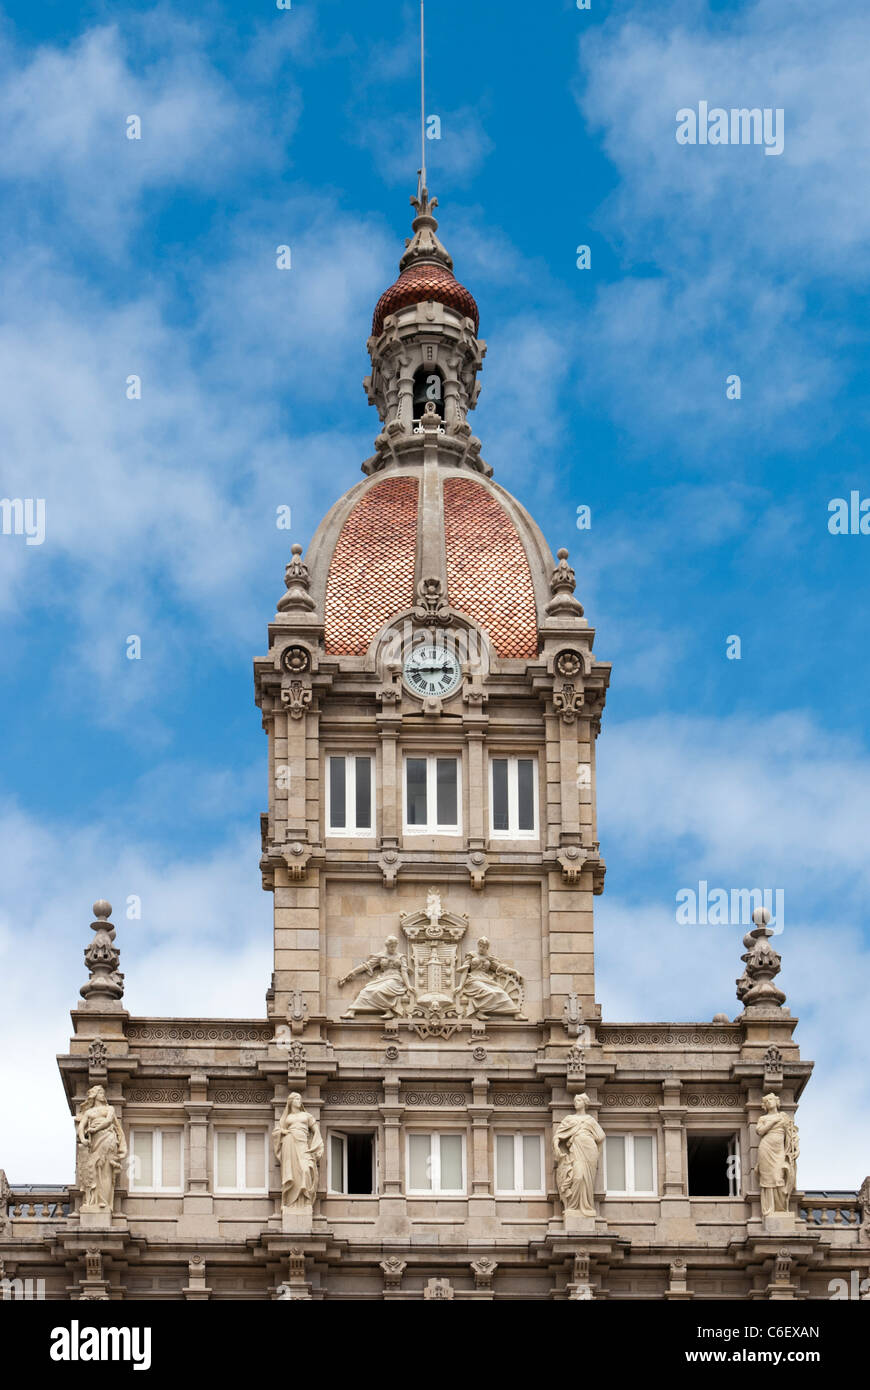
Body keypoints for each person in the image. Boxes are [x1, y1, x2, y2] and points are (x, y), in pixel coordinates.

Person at [76, 1085, 126, 1212]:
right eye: (100, 1093)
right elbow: (81, 1127)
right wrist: (83, 1139)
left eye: (103, 1093)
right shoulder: (88, 1112)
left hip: (107, 1138)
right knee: (93, 1169)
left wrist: (95, 1128)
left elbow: (109, 1121)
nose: (103, 1095)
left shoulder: (110, 1108)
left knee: (105, 1170)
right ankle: (93, 1201)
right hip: (94, 1142)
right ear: (94, 1095)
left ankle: (104, 1201)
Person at [552, 1094, 604, 1217]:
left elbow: (601, 1136)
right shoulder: (570, 1119)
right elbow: (557, 1135)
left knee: (588, 1181)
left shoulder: (590, 1120)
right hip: (576, 1151)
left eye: (579, 1100)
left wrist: (596, 1152)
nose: (576, 1102)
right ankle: (573, 1207)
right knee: (578, 1177)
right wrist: (556, 1146)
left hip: (589, 1151)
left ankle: (586, 1206)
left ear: (585, 1103)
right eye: (575, 1100)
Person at [272, 1093, 324, 1209]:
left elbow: (316, 1131)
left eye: (300, 1098)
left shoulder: (306, 1115)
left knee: (306, 1170)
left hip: (303, 1145)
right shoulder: (287, 1117)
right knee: (291, 1172)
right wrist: (283, 1132)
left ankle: (306, 1199)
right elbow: (277, 1131)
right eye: (296, 1098)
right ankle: (290, 1202)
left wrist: (316, 1146)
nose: (299, 1100)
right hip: (289, 1144)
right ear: (291, 1101)